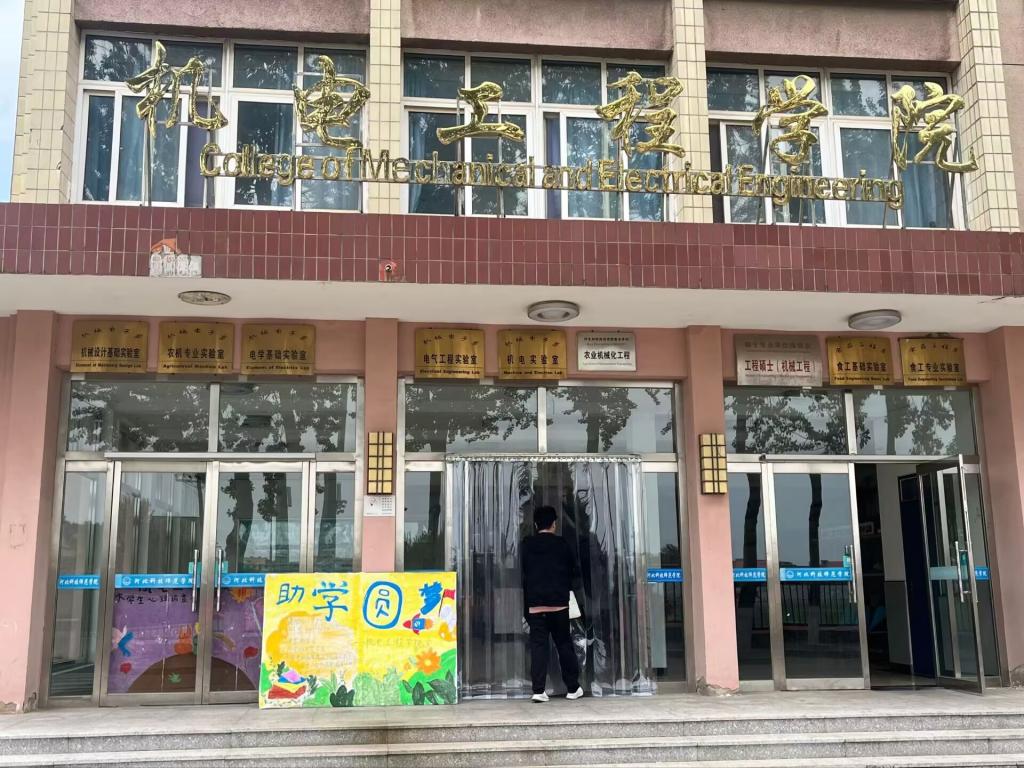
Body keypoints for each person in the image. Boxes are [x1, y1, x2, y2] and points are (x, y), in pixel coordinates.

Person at [520, 504, 584, 702]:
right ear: (554, 524)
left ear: (536, 525)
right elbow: (574, 571)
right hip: (559, 605)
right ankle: (572, 688)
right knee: (564, 644)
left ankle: (539, 690)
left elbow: (523, 572)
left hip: (535, 605)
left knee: (538, 647)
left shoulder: (527, 545)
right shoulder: (562, 544)